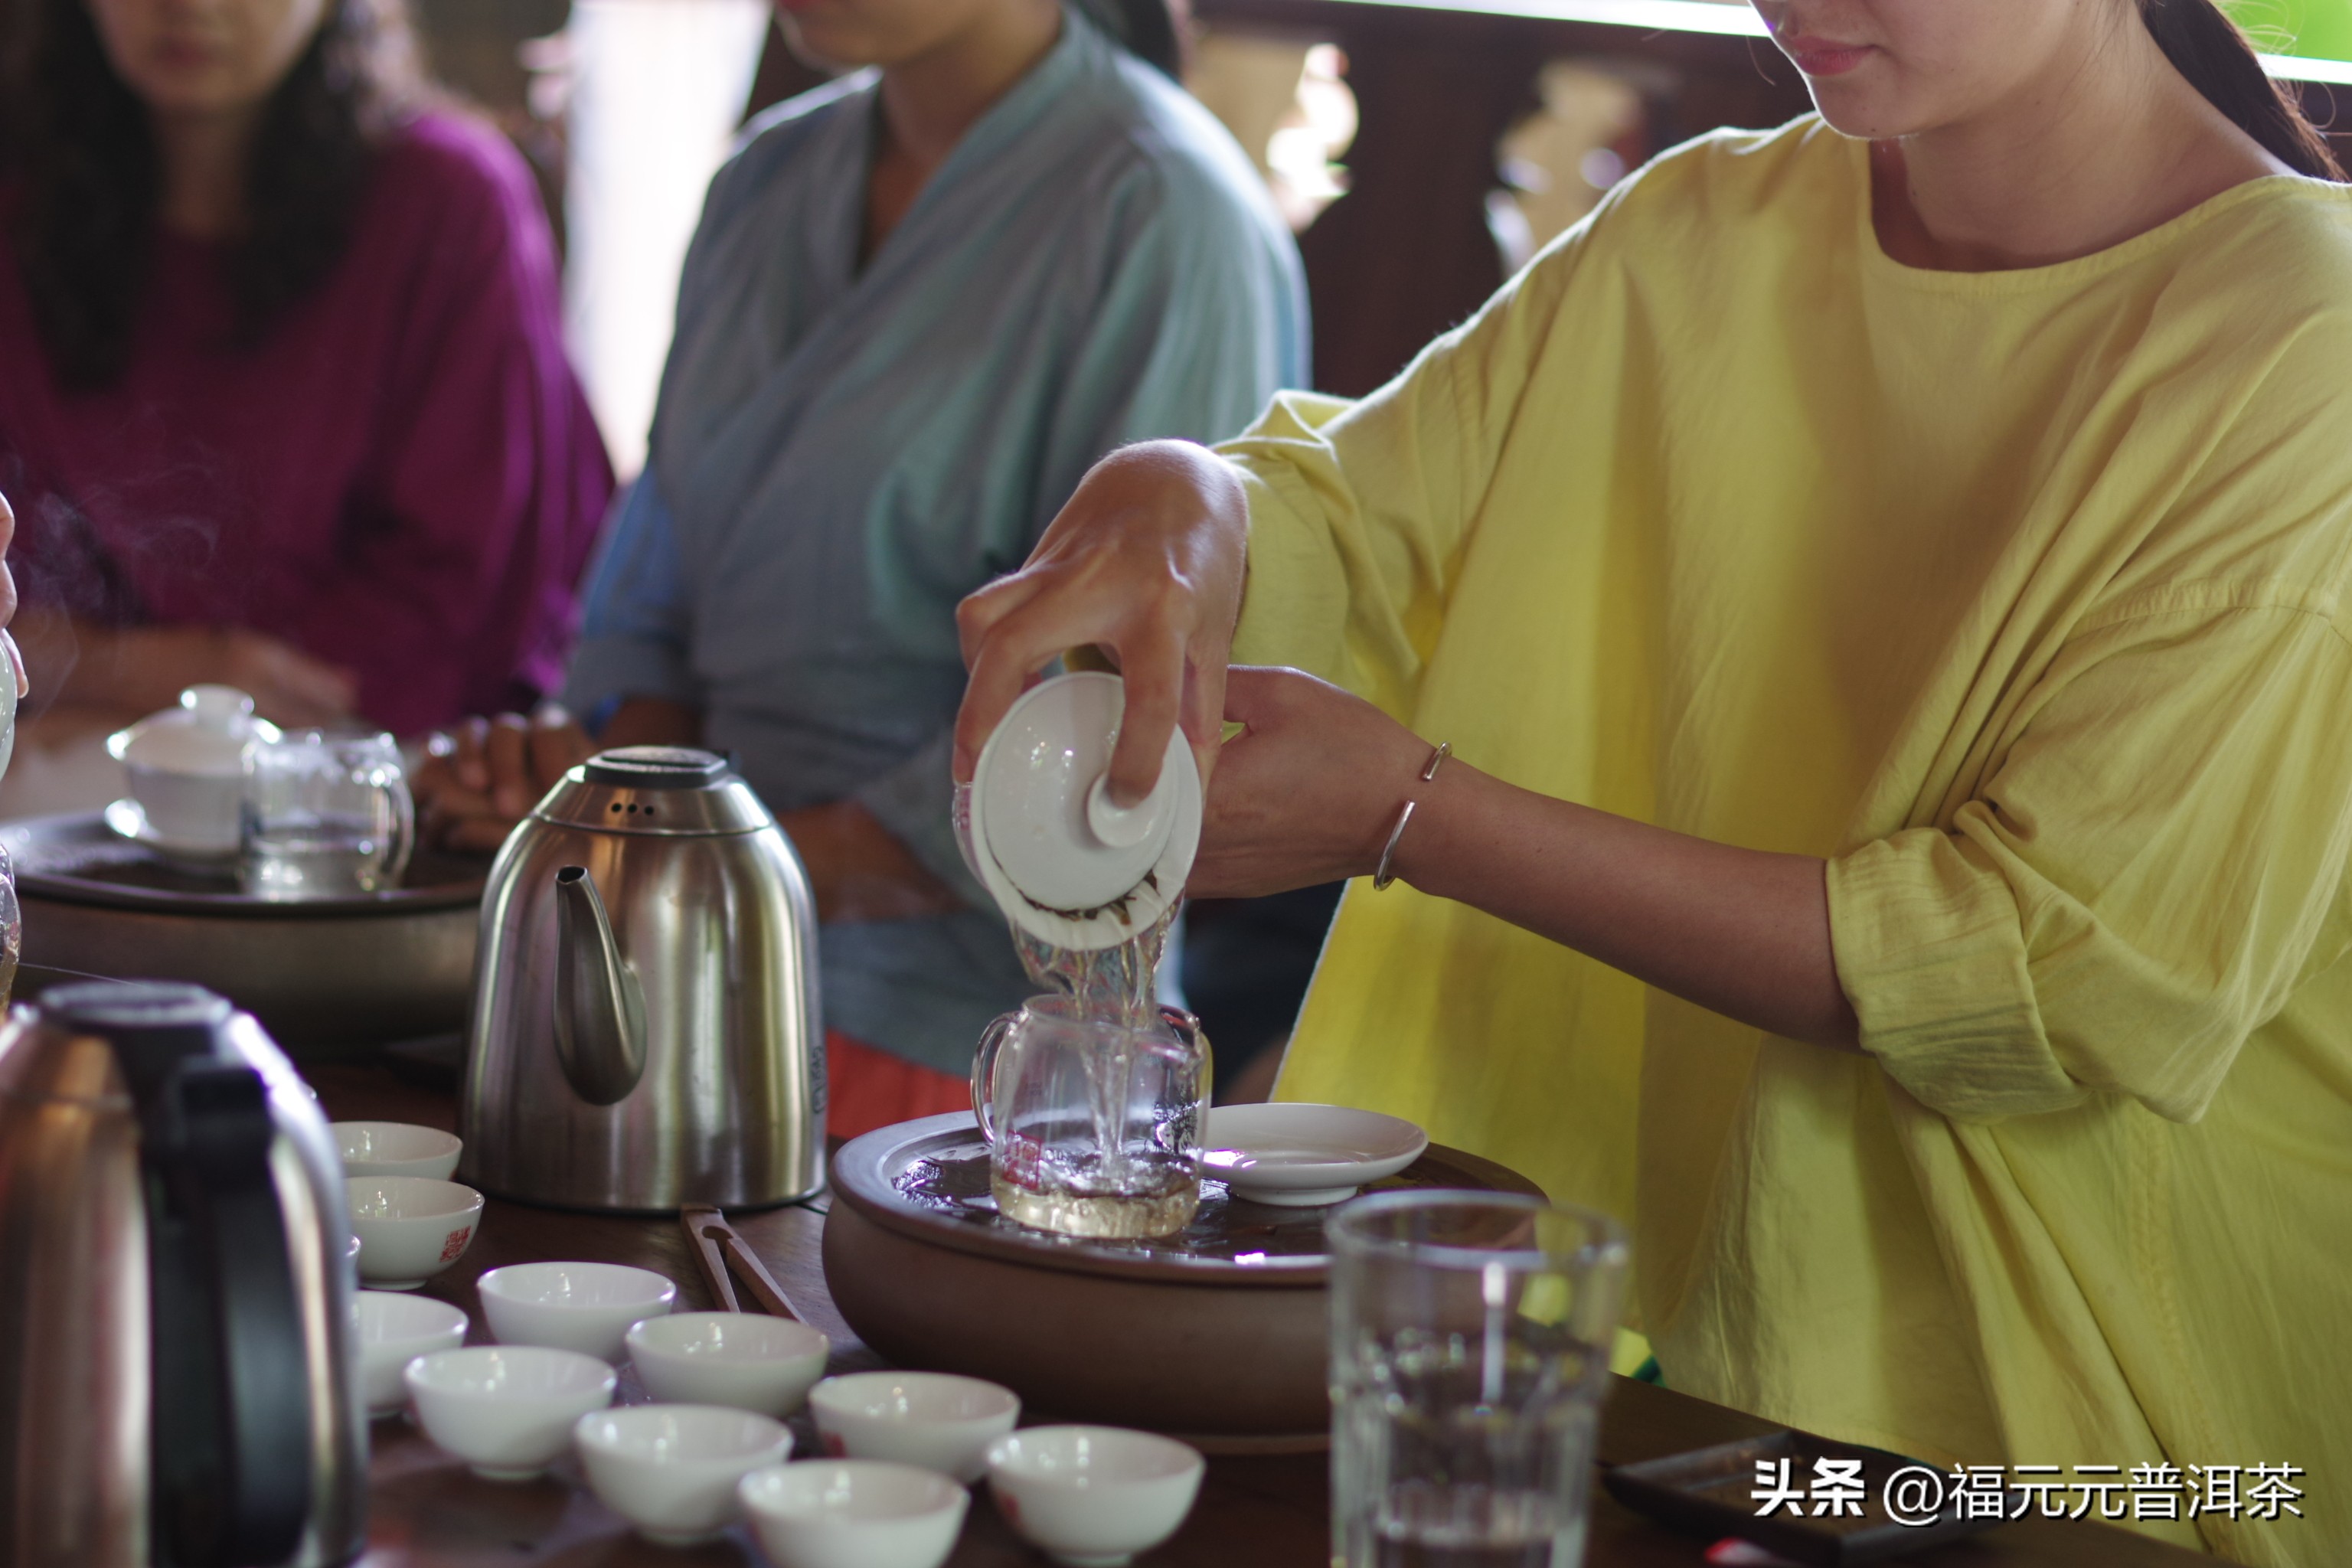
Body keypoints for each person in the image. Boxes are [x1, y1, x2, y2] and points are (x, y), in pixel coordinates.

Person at [954, 0, 2352, 1559]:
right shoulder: (1703, 227)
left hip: (2091, 1453)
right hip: (1681, 1391)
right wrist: (1178, 497)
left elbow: (2041, 969)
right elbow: (1356, 526)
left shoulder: (2303, 336)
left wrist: (1412, 815)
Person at [418, 0, 1306, 1138]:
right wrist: (621, 822)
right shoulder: (766, 180)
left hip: (969, 1063)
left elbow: (1100, 749)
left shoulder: (1169, 214)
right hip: (659, 977)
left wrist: (689, 880)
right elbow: (652, 600)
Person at [0, 0, 612, 735]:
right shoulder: (21, 209)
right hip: (66, 736)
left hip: (372, 755)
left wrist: (177, 681)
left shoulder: (451, 204)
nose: (188, 6)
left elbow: (457, 596)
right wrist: (185, 669)